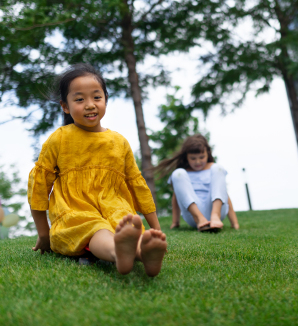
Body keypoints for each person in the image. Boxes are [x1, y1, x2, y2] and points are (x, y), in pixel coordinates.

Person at [27, 64, 167, 276]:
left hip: (115, 208)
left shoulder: (119, 142)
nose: (90, 105)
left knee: (125, 225)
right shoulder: (60, 138)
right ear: (65, 106)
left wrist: (156, 230)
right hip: (77, 210)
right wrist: (44, 234)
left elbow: (137, 186)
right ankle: (121, 253)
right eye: (79, 99)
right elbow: (39, 187)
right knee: (96, 229)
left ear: (106, 100)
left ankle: (142, 252)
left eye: (96, 97)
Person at [156, 134, 239, 232]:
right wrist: (175, 222)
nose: (198, 162)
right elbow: (177, 197)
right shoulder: (184, 173)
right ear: (186, 157)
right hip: (193, 216)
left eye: (201, 157)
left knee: (218, 168)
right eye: (193, 158)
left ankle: (215, 215)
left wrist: (234, 223)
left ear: (208, 153)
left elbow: (223, 193)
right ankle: (200, 219)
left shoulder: (214, 169)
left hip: (216, 211)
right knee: (178, 173)